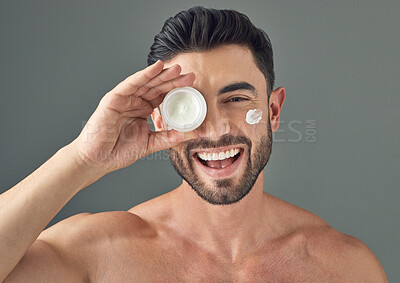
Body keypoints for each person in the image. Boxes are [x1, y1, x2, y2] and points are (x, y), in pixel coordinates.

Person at [1, 6, 388, 282]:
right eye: (188, 106)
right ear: (159, 117)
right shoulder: (99, 254)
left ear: (272, 111)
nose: (215, 129)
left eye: (236, 99)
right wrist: (83, 159)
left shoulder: (344, 269)